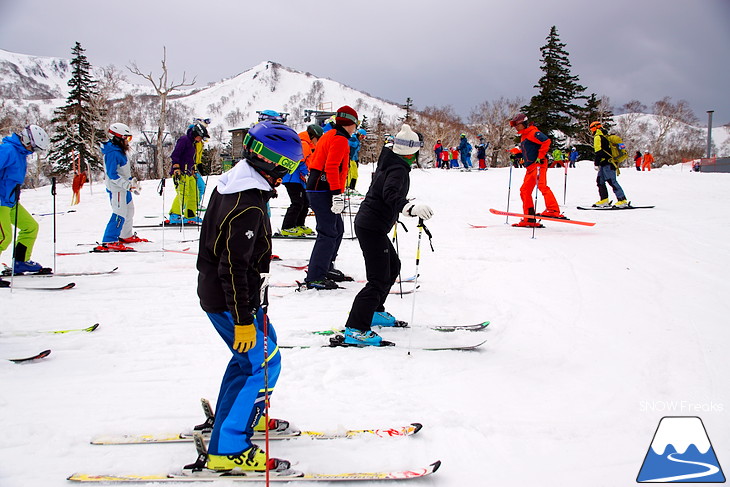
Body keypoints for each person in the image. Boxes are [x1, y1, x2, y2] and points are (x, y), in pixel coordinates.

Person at [196, 120, 302, 473]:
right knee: (266, 363)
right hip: (228, 300)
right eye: (286, 168)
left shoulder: (236, 183)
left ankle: (248, 414)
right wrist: (242, 321)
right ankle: (228, 446)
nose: (286, 176)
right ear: (270, 162)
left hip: (234, 296)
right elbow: (233, 268)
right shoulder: (248, 204)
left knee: (256, 354)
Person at [343, 124, 433, 346]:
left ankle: (374, 312)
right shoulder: (398, 169)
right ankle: (355, 328)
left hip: (372, 224)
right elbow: (390, 193)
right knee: (379, 278)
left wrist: (404, 206)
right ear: (411, 152)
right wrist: (408, 208)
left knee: (393, 267)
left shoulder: (392, 161)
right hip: (371, 226)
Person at [304, 105, 359, 290]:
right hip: (323, 189)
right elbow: (332, 167)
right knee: (328, 232)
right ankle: (315, 276)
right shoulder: (339, 139)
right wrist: (336, 194)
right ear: (350, 123)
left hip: (321, 187)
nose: (356, 128)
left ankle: (326, 266)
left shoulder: (332, 134)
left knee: (337, 228)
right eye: (355, 124)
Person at [0, 124, 50, 281]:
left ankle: (20, 262)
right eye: (33, 147)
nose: (32, 151)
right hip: (1, 201)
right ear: (27, 139)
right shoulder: (7, 150)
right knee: (4, 237)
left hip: (10, 201)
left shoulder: (20, 153)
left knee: (30, 227)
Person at [94, 123, 146, 253]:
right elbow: (112, 175)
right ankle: (109, 240)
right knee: (119, 213)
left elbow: (122, 171)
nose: (127, 142)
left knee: (129, 210)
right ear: (117, 137)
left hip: (124, 187)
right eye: (126, 138)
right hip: (117, 188)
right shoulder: (112, 153)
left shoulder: (119, 151)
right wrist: (127, 185)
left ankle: (125, 235)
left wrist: (131, 183)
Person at [509, 113, 564, 227]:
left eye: (517, 125)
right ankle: (529, 217)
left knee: (542, 186)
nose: (516, 127)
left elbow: (546, 141)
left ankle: (553, 210)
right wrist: (517, 154)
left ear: (524, 123)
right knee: (524, 191)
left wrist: (540, 156)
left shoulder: (532, 132)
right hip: (530, 168)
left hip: (539, 165)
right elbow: (529, 151)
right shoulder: (524, 136)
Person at [280, 124, 323, 236]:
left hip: (299, 179)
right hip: (292, 178)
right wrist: (307, 173)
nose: (317, 142)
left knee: (305, 202)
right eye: (317, 139)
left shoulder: (307, 144)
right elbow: (300, 161)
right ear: (313, 136)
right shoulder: (303, 144)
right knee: (297, 203)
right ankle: (287, 227)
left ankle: (299, 224)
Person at [167, 121, 209, 225]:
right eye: (201, 137)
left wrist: (194, 169)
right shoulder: (184, 140)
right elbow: (175, 155)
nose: (201, 139)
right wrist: (176, 168)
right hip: (181, 172)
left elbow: (191, 158)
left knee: (194, 193)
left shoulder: (194, 143)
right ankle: (174, 215)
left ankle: (190, 215)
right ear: (196, 133)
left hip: (189, 172)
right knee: (183, 193)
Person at [590, 121, 628, 207]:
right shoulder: (604, 135)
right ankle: (604, 200)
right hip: (605, 163)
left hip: (608, 163)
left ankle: (622, 200)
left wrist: (596, 163)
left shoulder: (598, 137)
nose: (591, 131)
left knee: (611, 181)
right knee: (600, 181)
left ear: (594, 128)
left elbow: (598, 151)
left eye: (591, 129)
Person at [347, 128, 366, 193]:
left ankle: (352, 188)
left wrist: (356, 160)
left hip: (354, 159)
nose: (363, 138)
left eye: (364, 137)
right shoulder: (353, 139)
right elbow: (348, 147)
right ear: (359, 134)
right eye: (362, 136)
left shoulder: (357, 141)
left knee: (355, 174)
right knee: (350, 173)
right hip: (349, 159)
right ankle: (347, 188)